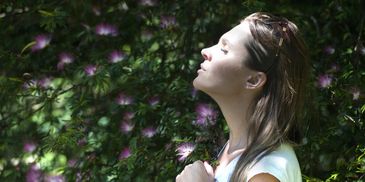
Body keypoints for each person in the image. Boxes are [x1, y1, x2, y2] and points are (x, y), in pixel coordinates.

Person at [175, 12, 309, 182]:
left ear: (253, 80)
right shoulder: (235, 151)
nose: (205, 51)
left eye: (224, 49)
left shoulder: (265, 170)